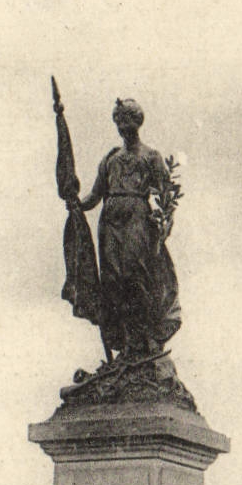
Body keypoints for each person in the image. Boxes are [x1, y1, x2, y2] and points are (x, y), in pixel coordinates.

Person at [78, 99, 182, 360]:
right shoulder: (110, 159)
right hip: (111, 222)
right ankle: (125, 345)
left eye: (128, 122)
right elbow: (94, 195)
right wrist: (75, 204)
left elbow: (167, 196)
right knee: (113, 281)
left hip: (137, 219)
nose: (124, 128)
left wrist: (165, 226)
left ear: (137, 123)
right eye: (119, 123)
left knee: (136, 278)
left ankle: (142, 343)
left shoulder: (150, 156)